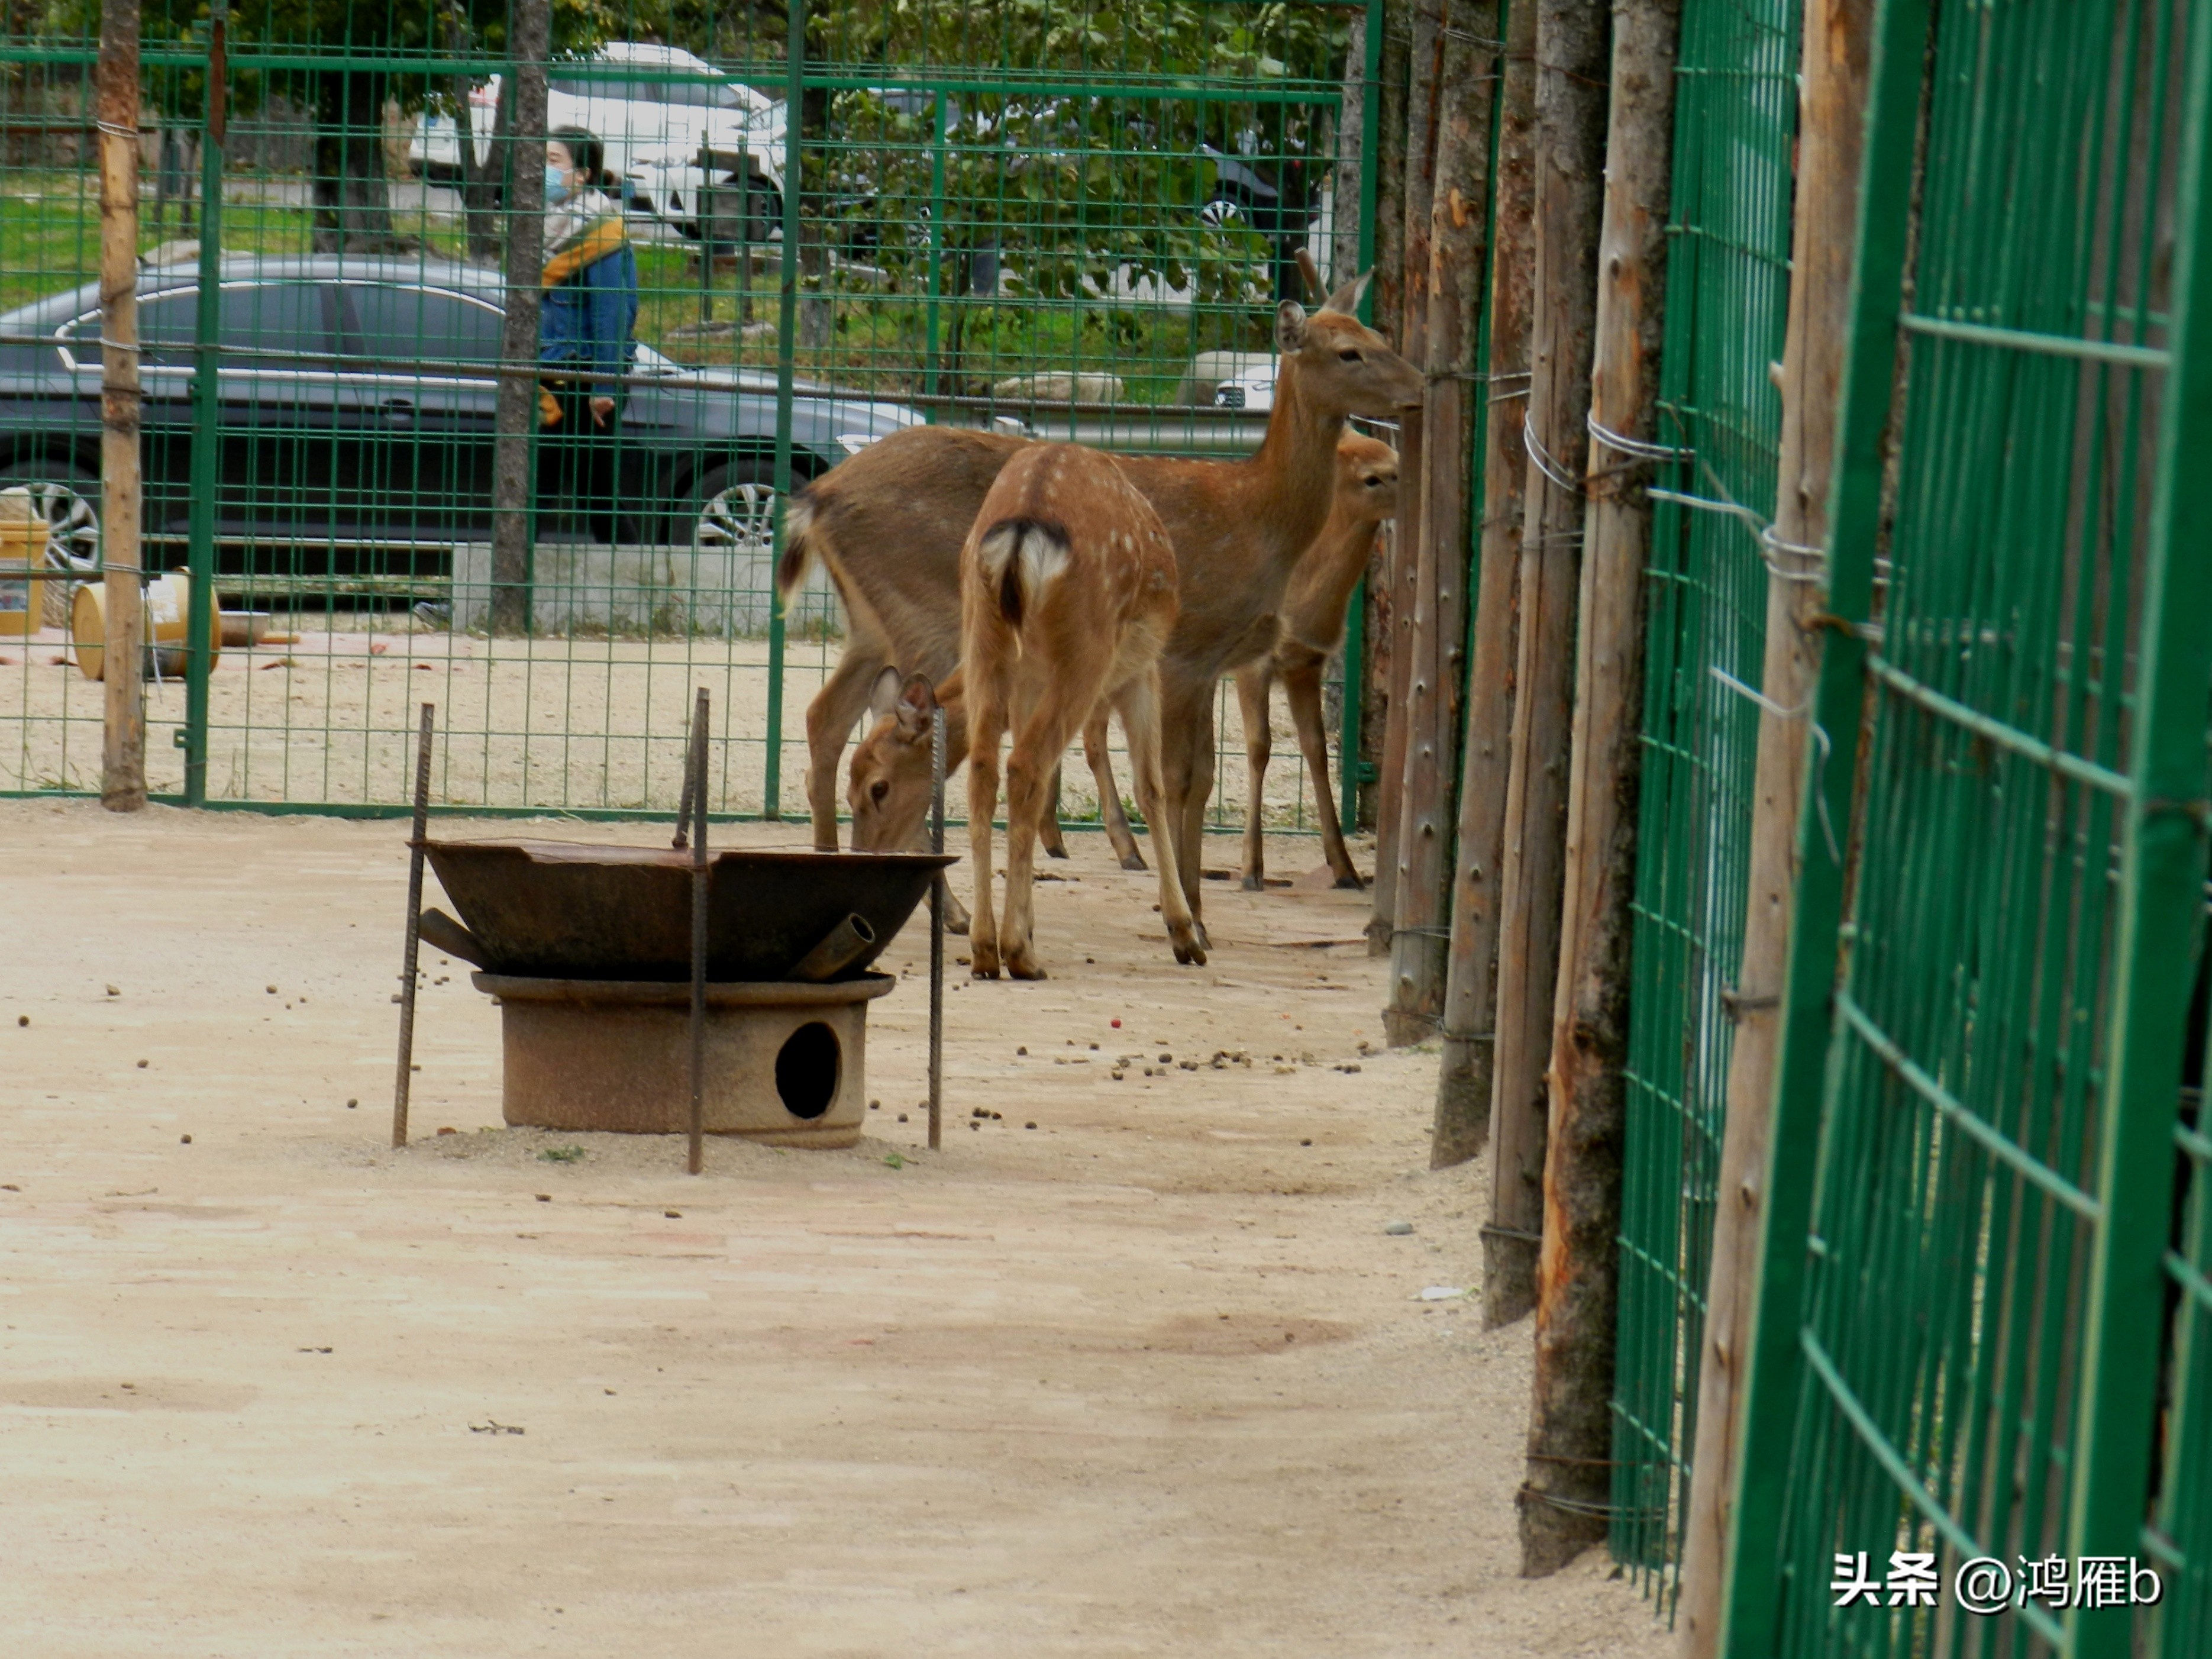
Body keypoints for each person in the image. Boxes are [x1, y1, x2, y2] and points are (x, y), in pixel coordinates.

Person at [537, 128, 640, 543]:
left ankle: (644, 590)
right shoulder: (546, 224)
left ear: (582, 175)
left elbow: (612, 313)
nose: (543, 169)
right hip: (551, 372)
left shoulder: (602, 231)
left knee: (582, 493)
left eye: (553, 161)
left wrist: (603, 386)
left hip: (578, 378)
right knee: (548, 489)